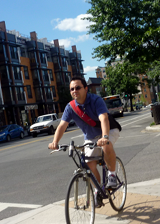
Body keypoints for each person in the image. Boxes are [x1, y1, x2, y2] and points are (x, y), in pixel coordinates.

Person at [48, 76, 120, 207]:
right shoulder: (70, 107)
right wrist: (55, 142)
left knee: (106, 145)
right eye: (72, 89)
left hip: (108, 130)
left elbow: (104, 118)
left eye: (78, 88)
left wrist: (104, 137)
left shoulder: (96, 100)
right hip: (90, 137)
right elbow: (62, 126)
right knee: (89, 165)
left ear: (86, 89)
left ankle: (112, 175)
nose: (74, 91)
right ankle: (98, 191)